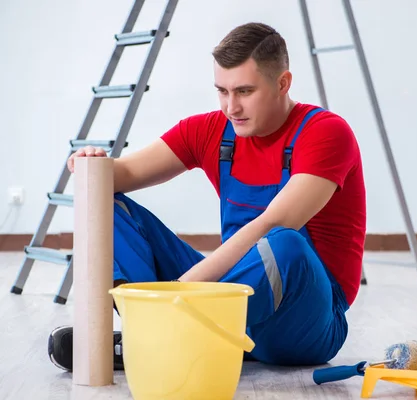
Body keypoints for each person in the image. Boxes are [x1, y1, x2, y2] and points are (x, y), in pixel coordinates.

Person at [47, 22, 366, 372]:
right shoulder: (211, 131)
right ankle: (152, 333)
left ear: (282, 83)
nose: (232, 107)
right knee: (105, 203)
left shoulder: (325, 132)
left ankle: (159, 336)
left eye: (245, 91)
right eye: (222, 91)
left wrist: (178, 291)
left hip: (305, 318)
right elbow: (123, 174)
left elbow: (273, 223)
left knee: (284, 244)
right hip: (230, 300)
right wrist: (92, 166)